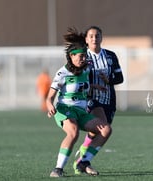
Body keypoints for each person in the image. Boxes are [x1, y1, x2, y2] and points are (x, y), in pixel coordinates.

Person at [46, 27, 112, 177]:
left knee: (106, 130)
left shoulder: (86, 69)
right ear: (71, 56)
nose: (84, 59)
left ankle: (83, 161)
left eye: (84, 56)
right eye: (81, 56)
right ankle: (58, 169)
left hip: (81, 112)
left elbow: (82, 86)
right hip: (65, 109)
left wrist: (95, 86)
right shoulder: (62, 73)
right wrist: (49, 106)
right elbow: (49, 97)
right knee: (73, 132)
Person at [73, 26, 124, 174]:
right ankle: (84, 162)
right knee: (104, 128)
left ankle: (82, 155)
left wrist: (108, 80)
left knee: (99, 132)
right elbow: (77, 78)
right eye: (91, 36)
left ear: (101, 38)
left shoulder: (110, 56)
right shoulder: (83, 57)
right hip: (90, 99)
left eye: (97, 36)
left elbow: (120, 78)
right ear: (86, 40)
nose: (94, 38)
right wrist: (92, 85)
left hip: (109, 100)